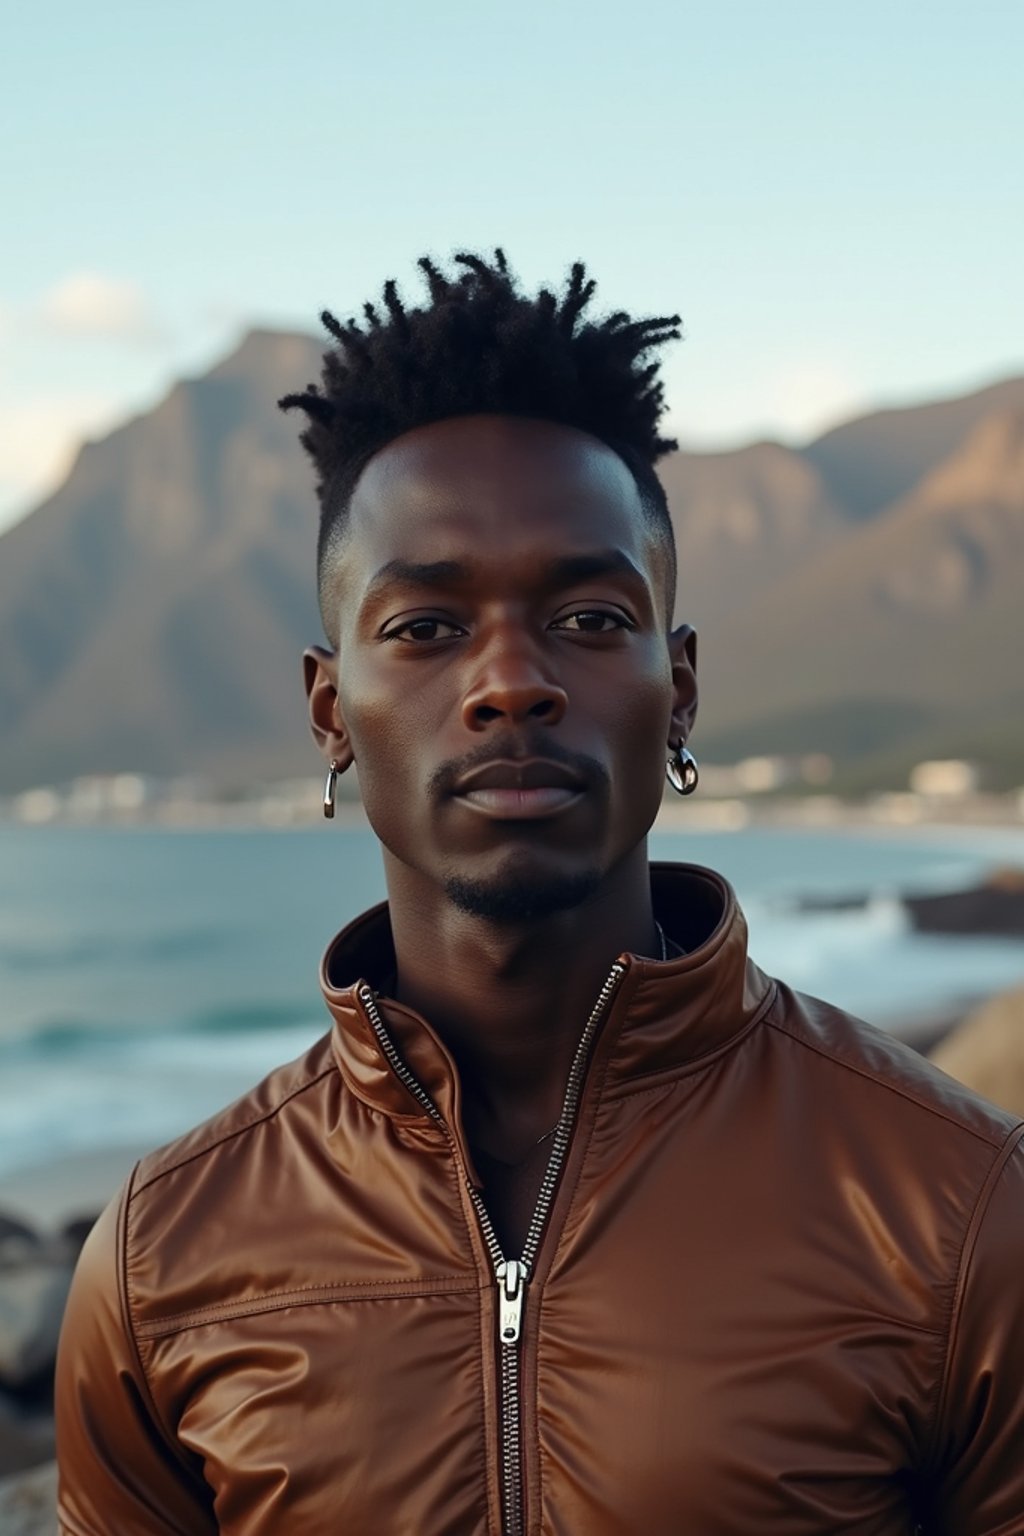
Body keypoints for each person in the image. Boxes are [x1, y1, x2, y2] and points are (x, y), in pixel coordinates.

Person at [56, 251, 1024, 1536]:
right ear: (330, 712)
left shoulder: (956, 1209)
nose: (511, 680)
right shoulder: (161, 1256)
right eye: (424, 628)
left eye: (584, 616)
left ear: (676, 690)